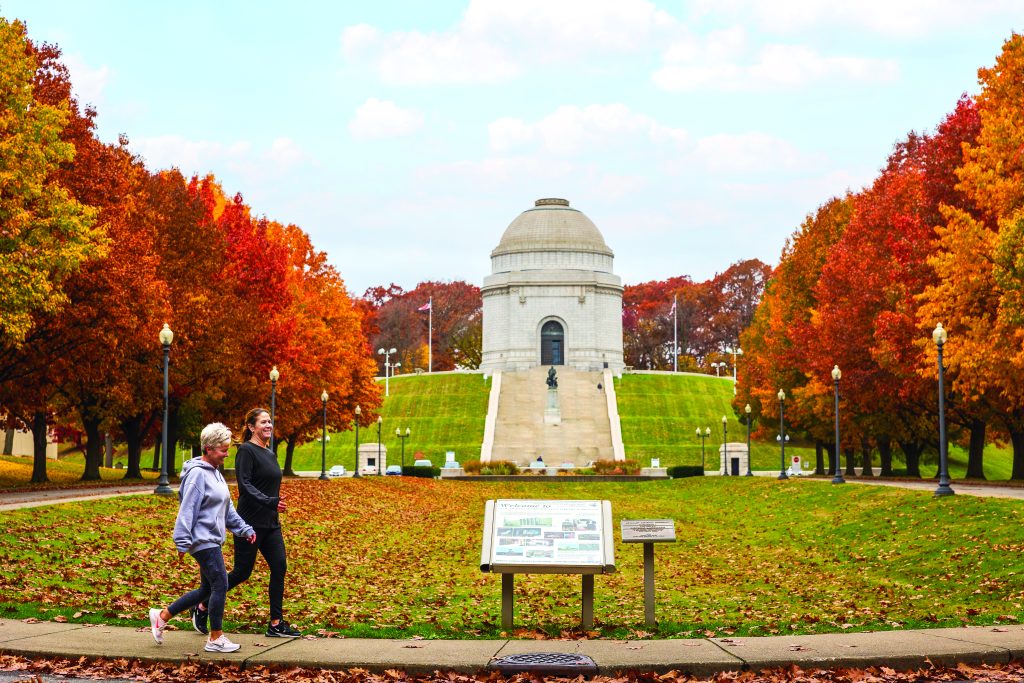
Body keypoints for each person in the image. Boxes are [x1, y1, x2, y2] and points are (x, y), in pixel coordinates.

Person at [191, 407, 301, 638]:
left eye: (270, 421)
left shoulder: (270, 454)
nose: (269, 425)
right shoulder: (246, 452)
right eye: (263, 422)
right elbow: (245, 486)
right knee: (242, 572)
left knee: (279, 567)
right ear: (251, 427)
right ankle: (202, 605)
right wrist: (270, 501)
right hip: (249, 523)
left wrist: (273, 505)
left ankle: (275, 623)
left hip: (271, 524)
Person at [149, 423, 255, 653]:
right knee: (221, 584)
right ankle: (215, 637)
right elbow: (187, 509)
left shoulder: (215, 473)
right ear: (208, 448)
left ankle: (162, 616)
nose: (227, 455)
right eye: (223, 450)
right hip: (202, 540)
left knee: (207, 590)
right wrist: (182, 541)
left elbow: (227, 509)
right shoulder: (197, 474)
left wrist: (244, 529)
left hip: (212, 539)